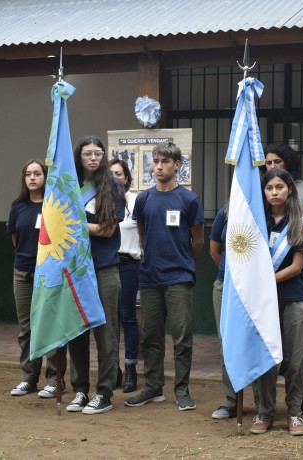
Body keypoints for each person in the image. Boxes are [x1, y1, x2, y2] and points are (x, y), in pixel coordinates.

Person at [125, 142, 205, 411]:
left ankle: (182, 390)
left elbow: (197, 241)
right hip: (149, 278)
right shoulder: (144, 199)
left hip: (179, 278)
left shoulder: (189, 200)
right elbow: (142, 233)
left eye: (165, 162)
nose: (159, 166)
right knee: (151, 336)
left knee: (182, 336)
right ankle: (152, 387)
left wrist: (181, 262)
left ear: (177, 165)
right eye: (156, 161)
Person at [65, 136, 125, 415]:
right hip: (74, 269)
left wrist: (73, 223)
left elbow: (107, 229)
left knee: (106, 332)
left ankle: (104, 392)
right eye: (88, 153)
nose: (93, 158)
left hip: (103, 268)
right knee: (75, 331)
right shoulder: (69, 186)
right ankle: (79, 390)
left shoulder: (111, 185)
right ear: (78, 156)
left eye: (98, 153)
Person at [249, 169, 303, 436]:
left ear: (290, 190)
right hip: (263, 302)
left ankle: (295, 413)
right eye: (269, 188)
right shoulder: (255, 222)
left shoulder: (300, 223)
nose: (274, 192)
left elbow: (297, 266)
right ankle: (265, 412)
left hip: (294, 298)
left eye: (280, 187)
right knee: (266, 360)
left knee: (296, 360)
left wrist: (266, 280)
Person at [7, 158, 67, 398]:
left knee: (50, 327)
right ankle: (29, 377)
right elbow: (15, 239)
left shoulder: (53, 206)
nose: (32, 178)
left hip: (48, 274)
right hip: (22, 273)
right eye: (28, 174)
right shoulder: (17, 207)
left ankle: (55, 380)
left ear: (46, 177)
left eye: (37, 173)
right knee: (26, 328)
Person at [209, 205, 259, 419]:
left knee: (256, 344)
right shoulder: (225, 212)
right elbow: (214, 250)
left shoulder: (262, 213)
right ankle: (230, 400)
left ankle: (263, 404)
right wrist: (232, 276)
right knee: (227, 343)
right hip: (225, 286)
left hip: (254, 288)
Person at [109, 158, 141, 393]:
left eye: (119, 174)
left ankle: (131, 370)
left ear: (127, 178)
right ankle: (113, 370)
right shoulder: (100, 202)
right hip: (106, 265)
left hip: (129, 264)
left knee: (127, 317)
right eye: (111, 174)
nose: (115, 178)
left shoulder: (136, 201)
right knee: (109, 320)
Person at [263, 142, 303, 210]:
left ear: (288, 163)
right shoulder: (259, 188)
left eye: (277, 162)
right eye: (268, 163)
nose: (273, 166)